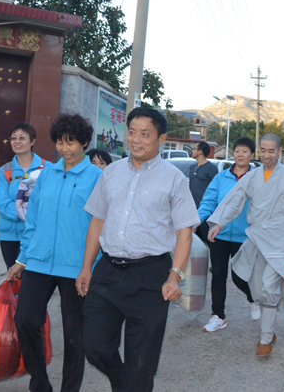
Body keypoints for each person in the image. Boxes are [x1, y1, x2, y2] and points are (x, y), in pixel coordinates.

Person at [76, 107, 200, 392]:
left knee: (142, 362)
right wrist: (86, 267)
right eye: (132, 132)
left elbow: (184, 233)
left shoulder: (174, 179)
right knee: (93, 346)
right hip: (108, 271)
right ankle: (125, 382)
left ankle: (134, 383)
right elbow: (98, 220)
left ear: (161, 139)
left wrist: (174, 276)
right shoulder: (111, 172)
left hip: (150, 276)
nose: (136, 139)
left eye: (145, 134)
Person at [6, 113, 102, 392]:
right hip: (39, 261)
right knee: (25, 319)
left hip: (76, 266)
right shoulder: (46, 173)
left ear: (84, 143)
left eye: (71, 142)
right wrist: (23, 258)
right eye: (60, 142)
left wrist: (90, 266)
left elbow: (100, 225)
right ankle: (40, 383)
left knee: (75, 335)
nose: (65, 149)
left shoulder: (97, 178)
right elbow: (33, 219)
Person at [207, 132, 284, 357]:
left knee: (270, 286)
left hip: (280, 239)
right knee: (257, 287)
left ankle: (265, 338)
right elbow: (235, 200)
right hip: (257, 237)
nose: (266, 155)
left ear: (279, 151)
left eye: (271, 151)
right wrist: (219, 223)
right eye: (263, 150)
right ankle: (269, 327)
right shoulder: (252, 176)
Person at [198, 137, 258, 332]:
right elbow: (208, 202)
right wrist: (196, 221)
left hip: (245, 236)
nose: (240, 155)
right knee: (218, 275)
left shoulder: (257, 179)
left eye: (245, 151)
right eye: (237, 151)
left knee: (240, 276)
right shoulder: (221, 177)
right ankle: (218, 316)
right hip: (219, 234)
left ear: (252, 155)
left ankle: (254, 299)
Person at [0, 123, 47, 269]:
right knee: (13, 275)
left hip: (36, 234)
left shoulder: (47, 168)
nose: (17, 142)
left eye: (22, 138)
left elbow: (48, 200)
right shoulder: (5, 170)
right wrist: (26, 213)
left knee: (31, 276)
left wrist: (26, 213)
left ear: (33, 141)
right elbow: (2, 202)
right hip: (9, 234)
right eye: (13, 138)